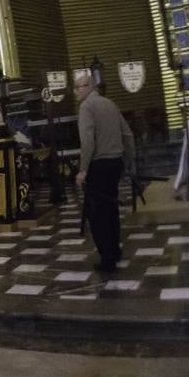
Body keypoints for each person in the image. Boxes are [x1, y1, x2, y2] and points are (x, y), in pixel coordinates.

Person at [74, 74, 135, 272]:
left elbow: (88, 141)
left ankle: (107, 258)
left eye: (80, 87)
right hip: (115, 163)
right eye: (75, 87)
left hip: (98, 165)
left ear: (91, 86)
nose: (77, 91)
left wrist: (83, 169)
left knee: (97, 214)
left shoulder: (86, 107)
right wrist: (128, 159)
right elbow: (127, 133)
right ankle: (115, 250)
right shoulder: (110, 104)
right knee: (111, 209)